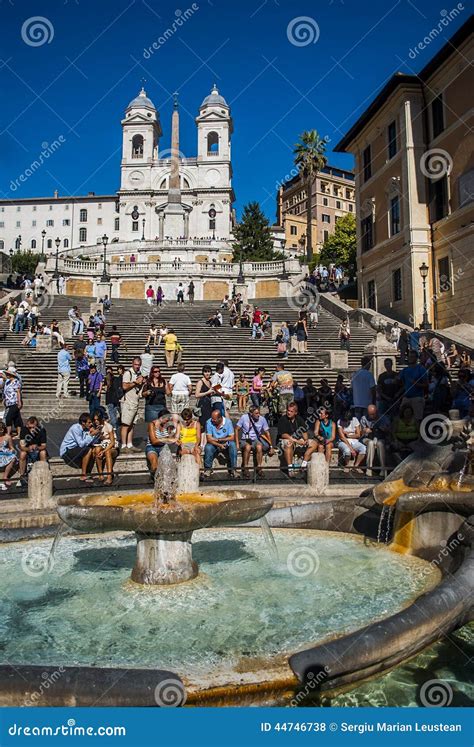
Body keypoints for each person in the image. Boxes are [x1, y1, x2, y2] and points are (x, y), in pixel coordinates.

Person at [277, 401, 317, 473]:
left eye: (291, 411)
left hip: (298, 440)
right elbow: (283, 435)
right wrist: (296, 441)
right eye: (288, 410)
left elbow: (304, 431)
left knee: (314, 443)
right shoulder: (283, 419)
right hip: (287, 439)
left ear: (295, 413)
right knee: (288, 444)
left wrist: (306, 440)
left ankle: (304, 464)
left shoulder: (299, 419)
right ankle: (290, 468)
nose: (289, 412)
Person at [59, 413, 100, 481]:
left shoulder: (87, 429)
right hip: (67, 451)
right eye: (89, 422)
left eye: (91, 422)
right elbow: (81, 444)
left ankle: (88, 473)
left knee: (93, 450)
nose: (91, 424)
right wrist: (91, 435)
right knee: (88, 450)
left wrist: (95, 435)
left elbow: (90, 443)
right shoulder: (75, 428)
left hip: (77, 450)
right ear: (83, 423)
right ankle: (83, 475)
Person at [236, 405, 273, 479]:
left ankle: (259, 467)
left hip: (255, 439)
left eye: (259, 413)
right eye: (256, 413)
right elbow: (236, 429)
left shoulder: (262, 419)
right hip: (245, 439)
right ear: (251, 413)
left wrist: (271, 446)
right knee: (248, 446)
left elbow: (267, 432)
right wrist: (237, 444)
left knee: (259, 446)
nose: (258, 415)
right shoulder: (244, 417)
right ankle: (245, 467)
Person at [203, 408, 237, 479]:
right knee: (208, 447)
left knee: (233, 445)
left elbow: (232, 437)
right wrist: (219, 444)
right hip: (214, 443)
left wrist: (221, 439)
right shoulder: (208, 422)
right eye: (212, 418)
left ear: (220, 418)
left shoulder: (228, 422)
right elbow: (209, 439)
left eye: (214, 419)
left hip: (225, 442)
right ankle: (208, 469)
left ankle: (233, 469)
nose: (212, 420)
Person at [120, 357, 144, 450]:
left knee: (131, 425)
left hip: (135, 402)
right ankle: (123, 445)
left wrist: (142, 383)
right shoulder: (128, 373)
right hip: (128, 403)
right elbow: (124, 386)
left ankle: (130, 444)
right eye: (136, 364)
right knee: (125, 424)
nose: (137, 367)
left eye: (139, 365)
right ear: (132, 364)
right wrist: (135, 382)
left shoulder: (139, 374)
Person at [146, 410, 180, 476]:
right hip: (152, 447)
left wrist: (175, 441)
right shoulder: (152, 424)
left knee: (169, 464)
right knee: (154, 460)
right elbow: (154, 441)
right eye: (166, 420)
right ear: (160, 418)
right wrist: (167, 439)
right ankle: (155, 478)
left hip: (162, 447)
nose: (167, 422)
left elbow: (170, 437)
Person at [16, 416, 48, 485]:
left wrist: (37, 447)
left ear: (37, 426)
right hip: (27, 450)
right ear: (27, 425)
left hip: (38, 450)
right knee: (22, 454)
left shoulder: (42, 430)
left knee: (43, 452)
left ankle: (43, 474)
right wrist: (29, 448)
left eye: (34, 427)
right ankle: (22, 475)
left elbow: (44, 446)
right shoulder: (24, 430)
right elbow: (21, 446)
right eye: (30, 427)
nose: (32, 429)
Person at [360, 404, 389, 478]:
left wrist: (384, 429)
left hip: (380, 437)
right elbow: (361, 433)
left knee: (380, 444)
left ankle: (383, 468)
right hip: (368, 438)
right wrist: (365, 430)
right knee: (370, 443)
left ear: (377, 412)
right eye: (370, 414)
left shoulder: (383, 418)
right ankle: (369, 468)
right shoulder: (364, 418)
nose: (372, 416)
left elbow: (389, 430)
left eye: (373, 414)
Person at [399, 350, 429, 421]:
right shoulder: (405, 370)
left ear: (416, 358)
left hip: (417, 397)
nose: (410, 358)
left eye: (412, 357)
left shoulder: (421, 369)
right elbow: (401, 382)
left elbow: (426, 384)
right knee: (402, 416)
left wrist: (416, 383)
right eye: (409, 357)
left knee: (417, 418)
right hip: (406, 397)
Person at [91, 412, 116, 485]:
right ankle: (100, 474)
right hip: (101, 446)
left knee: (107, 452)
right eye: (95, 420)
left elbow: (112, 442)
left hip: (112, 447)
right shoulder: (94, 427)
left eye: (97, 419)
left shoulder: (108, 426)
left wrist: (104, 451)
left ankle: (109, 477)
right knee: (97, 450)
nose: (96, 421)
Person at [195, 365, 214, 443]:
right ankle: (202, 443)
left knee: (208, 423)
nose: (207, 373)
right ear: (203, 372)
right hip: (202, 405)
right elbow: (196, 395)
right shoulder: (200, 382)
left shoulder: (210, 382)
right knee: (203, 423)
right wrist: (207, 392)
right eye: (205, 372)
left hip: (209, 405)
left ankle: (206, 441)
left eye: (208, 372)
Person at [0, 420, 17, 490]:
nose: (0, 431)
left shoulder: (8, 437)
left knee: (13, 458)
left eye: (1, 429)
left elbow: (11, 447)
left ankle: (5, 476)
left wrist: (12, 450)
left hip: (4, 453)